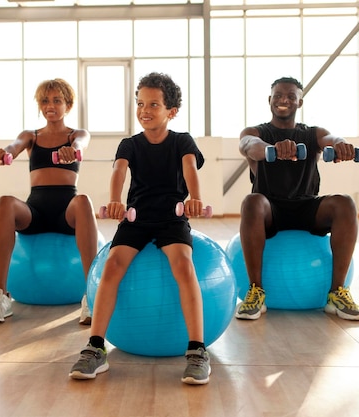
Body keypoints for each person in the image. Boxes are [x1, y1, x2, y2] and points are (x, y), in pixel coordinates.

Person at [69, 72, 211, 385]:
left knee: (183, 266)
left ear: (171, 111)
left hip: (172, 217)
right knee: (113, 265)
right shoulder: (130, 144)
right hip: (136, 217)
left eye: (153, 104)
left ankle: (198, 351)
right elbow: (119, 170)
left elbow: (190, 168)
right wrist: (114, 201)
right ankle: (95, 348)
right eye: (140, 103)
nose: (144, 109)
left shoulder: (182, 141)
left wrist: (196, 198)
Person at [235, 76, 359, 321]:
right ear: (269, 100)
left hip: (306, 206)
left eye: (291, 96)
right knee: (252, 201)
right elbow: (249, 145)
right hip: (270, 209)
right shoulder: (255, 132)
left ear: (300, 102)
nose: (284, 100)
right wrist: (270, 149)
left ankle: (337, 293)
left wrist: (342, 145)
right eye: (278, 96)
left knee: (345, 202)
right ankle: (256, 292)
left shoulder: (313, 133)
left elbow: (332, 139)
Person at [0, 78, 98, 325]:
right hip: (36, 209)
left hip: (67, 210)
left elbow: (80, 145)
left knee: (84, 201)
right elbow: (14, 147)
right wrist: (3, 154)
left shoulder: (77, 134)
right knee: (5, 202)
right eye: (45, 100)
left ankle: (91, 297)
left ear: (68, 104)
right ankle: (1, 296)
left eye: (57, 100)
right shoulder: (31, 136)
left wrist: (72, 150)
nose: (50, 105)